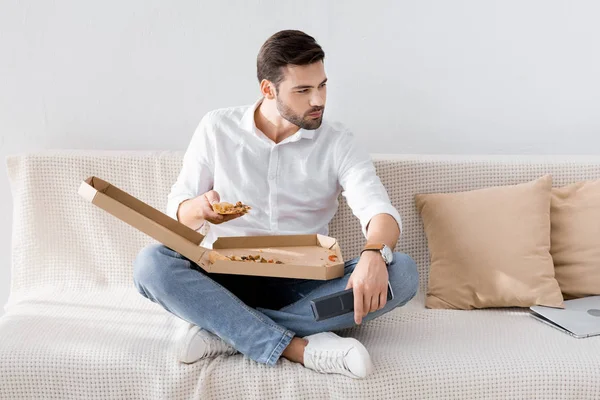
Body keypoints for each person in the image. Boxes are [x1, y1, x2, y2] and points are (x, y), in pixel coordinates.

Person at [133, 30, 418, 379]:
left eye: (323, 85)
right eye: (303, 90)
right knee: (151, 264)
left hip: (304, 281)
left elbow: (377, 210)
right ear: (268, 89)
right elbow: (177, 211)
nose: (318, 100)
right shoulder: (217, 128)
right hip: (224, 276)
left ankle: (226, 330)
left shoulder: (338, 141)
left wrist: (375, 253)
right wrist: (198, 209)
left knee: (401, 273)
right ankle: (296, 346)